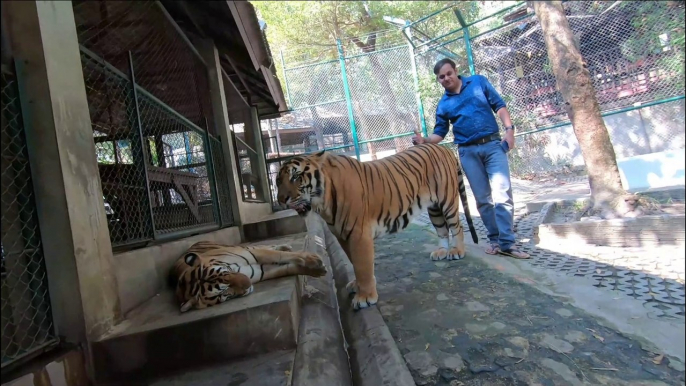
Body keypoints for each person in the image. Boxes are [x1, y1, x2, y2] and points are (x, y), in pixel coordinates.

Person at [412, 58, 529, 259]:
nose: (446, 78)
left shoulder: (478, 82)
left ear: (456, 71)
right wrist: (424, 141)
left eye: (449, 73)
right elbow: (440, 132)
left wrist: (509, 130)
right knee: (483, 199)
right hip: (468, 152)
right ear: (438, 80)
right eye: (441, 77)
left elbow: (499, 106)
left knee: (503, 193)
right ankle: (495, 240)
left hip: (493, 145)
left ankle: (507, 243)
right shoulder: (444, 104)